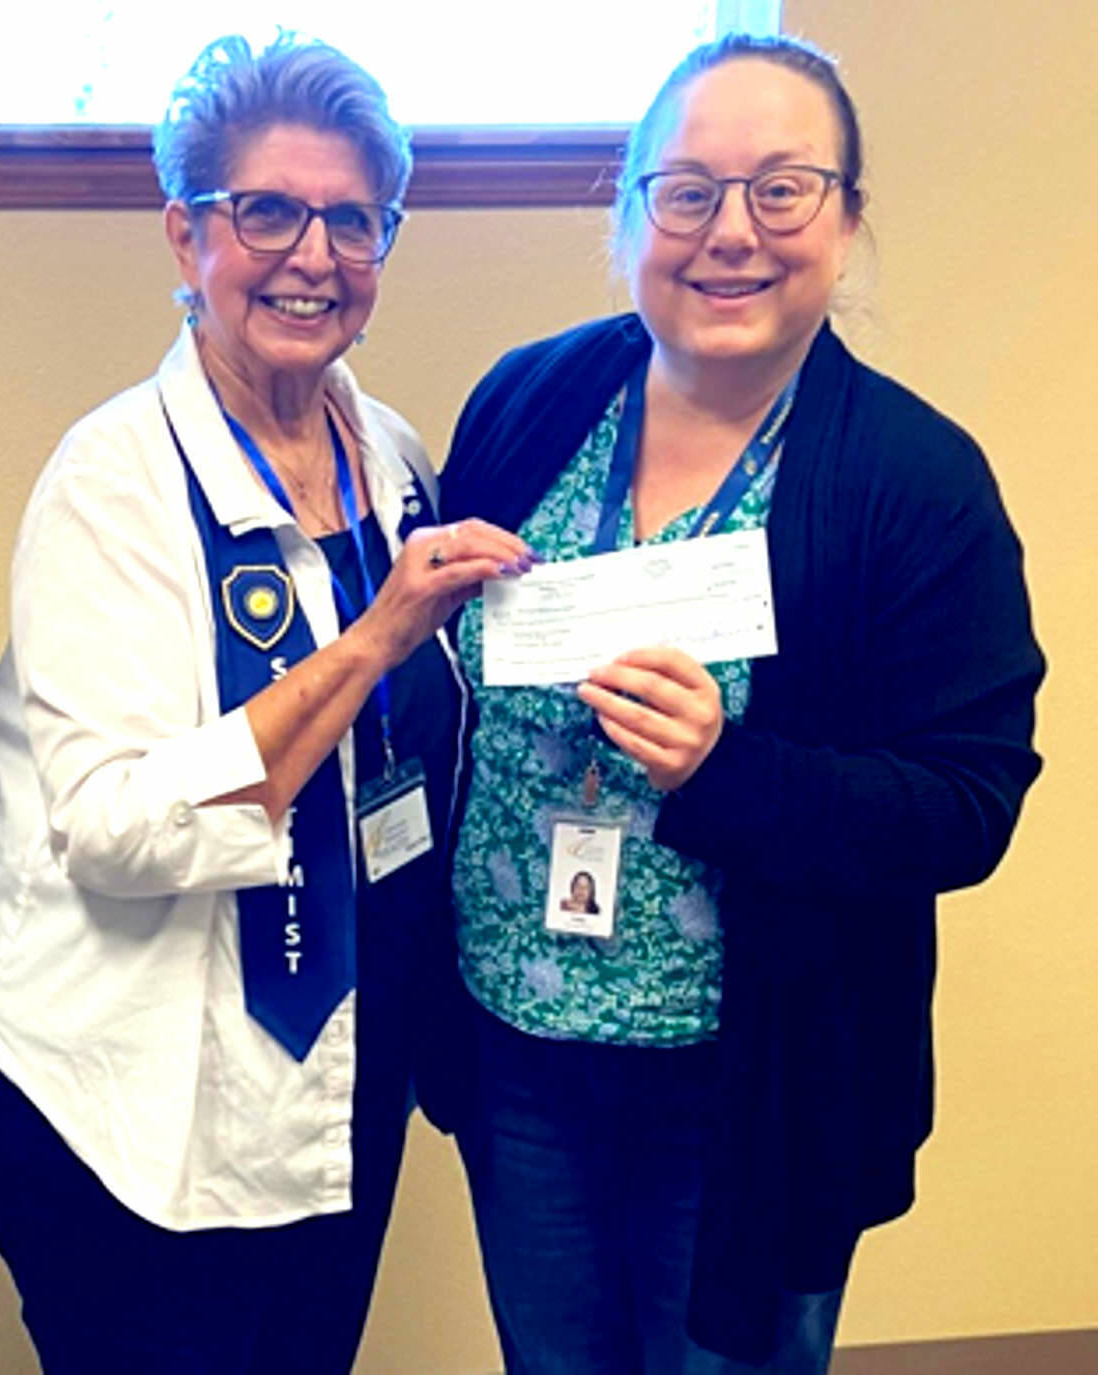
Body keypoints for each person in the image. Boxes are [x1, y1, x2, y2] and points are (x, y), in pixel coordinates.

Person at [440, 32, 1045, 1373]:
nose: (732, 233)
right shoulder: (529, 406)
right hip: (520, 1051)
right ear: (630, 213)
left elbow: (967, 804)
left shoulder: (913, 480)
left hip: (745, 1089)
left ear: (847, 218)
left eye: (783, 189)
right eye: (690, 190)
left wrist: (726, 771)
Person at [0, 33, 527, 1374]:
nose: (313, 255)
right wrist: (372, 638)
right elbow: (110, 824)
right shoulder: (110, 483)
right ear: (185, 233)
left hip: (333, 1064)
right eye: (267, 211)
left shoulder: (383, 448)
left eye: (354, 220)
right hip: (134, 1095)